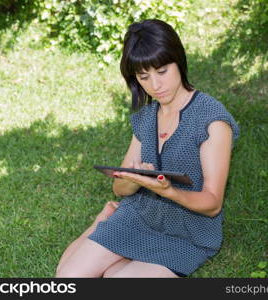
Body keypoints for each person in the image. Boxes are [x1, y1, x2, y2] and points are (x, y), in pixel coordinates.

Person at [55, 19, 239, 278]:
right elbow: (119, 188)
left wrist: (168, 191)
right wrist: (133, 180)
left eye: (162, 71)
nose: (155, 85)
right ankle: (102, 222)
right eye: (144, 77)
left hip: (187, 234)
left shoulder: (211, 120)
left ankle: (104, 225)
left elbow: (212, 204)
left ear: (179, 61)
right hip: (138, 217)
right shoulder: (145, 118)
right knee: (66, 279)